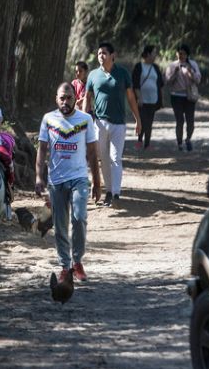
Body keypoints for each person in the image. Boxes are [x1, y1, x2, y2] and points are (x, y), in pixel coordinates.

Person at [35, 82, 101, 284]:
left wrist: (97, 183)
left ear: (75, 98)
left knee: (79, 218)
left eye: (69, 97)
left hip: (79, 179)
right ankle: (65, 266)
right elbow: (42, 150)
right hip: (56, 181)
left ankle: (77, 261)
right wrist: (39, 177)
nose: (65, 101)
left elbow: (92, 153)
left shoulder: (85, 119)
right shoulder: (48, 119)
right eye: (62, 98)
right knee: (61, 226)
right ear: (56, 99)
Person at [82, 42, 141, 207]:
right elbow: (87, 97)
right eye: (99, 53)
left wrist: (138, 119)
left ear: (113, 55)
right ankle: (108, 191)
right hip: (99, 124)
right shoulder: (93, 75)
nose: (101, 56)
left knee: (116, 158)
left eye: (104, 53)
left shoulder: (122, 74)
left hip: (119, 124)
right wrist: (84, 117)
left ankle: (115, 193)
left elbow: (130, 98)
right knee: (104, 159)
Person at [164, 43, 202, 151]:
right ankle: (179, 143)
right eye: (179, 53)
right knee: (179, 120)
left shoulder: (193, 64)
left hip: (190, 96)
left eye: (184, 54)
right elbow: (167, 81)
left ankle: (188, 139)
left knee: (190, 121)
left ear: (187, 55)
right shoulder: (172, 65)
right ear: (176, 54)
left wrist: (191, 72)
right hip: (176, 96)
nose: (181, 56)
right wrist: (175, 73)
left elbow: (198, 80)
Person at [131, 45, 164, 150]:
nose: (155, 55)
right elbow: (135, 83)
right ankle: (140, 141)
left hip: (153, 99)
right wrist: (139, 97)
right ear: (148, 54)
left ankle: (147, 143)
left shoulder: (155, 67)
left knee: (149, 121)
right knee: (142, 120)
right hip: (142, 100)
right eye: (154, 53)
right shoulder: (139, 66)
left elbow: (161, 83)